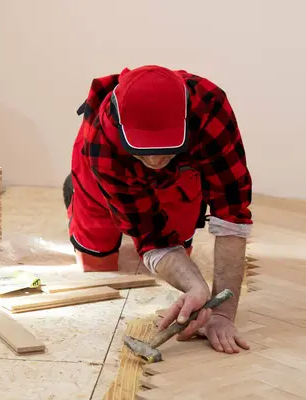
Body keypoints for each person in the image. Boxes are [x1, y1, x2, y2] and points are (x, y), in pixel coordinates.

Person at [63, 65, 253, 354]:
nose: (154, 160)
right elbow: (149, 234)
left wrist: (219, 310)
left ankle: (165, 178)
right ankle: (83, 198)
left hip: (182, 173)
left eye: (165, 148)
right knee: (96, 258)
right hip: (108, 172)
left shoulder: (211, 111)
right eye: (145, 149)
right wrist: (193, 284)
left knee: (181, 245)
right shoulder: (101, 138)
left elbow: (232, 213)